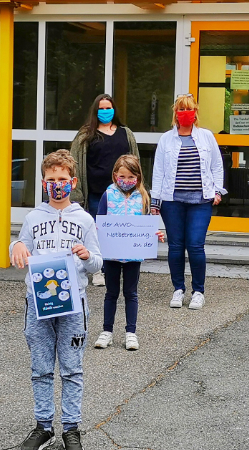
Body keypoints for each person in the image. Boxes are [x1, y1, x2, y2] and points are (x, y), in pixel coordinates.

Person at [10, 150, 103, 450]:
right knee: (41, 368)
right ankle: (43, 426)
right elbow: (19, 247)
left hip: (73, 304)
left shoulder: (85, 220)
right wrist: (18, 245)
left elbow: (97, 263)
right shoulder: (34, 218)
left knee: (72, 368)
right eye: (51, 180)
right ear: (43, 183)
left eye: (63, 179)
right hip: (38, 303)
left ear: (73, 182)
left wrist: (88, 257)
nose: (57, 184)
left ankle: (71, 428)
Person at [150, 94, 225, 311]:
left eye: (189, 110)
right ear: (175, 113)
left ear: (195, 113)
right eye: (181, 110)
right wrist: (155, 201)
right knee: (175, 246)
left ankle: (198, 291)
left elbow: (217, 166)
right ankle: (178, 289)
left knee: (195, 245)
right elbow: (159, 171)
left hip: (200, 200)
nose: (185, 113)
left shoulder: (206, 136)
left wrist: (218, 191)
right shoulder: (166, 139)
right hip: (172, 200)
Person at [94, 154, 164, 352]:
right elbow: (99, 220)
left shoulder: (143, 197)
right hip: (111, 254)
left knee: (131, 293)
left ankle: (130, 333)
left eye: (131, 177)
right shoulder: (107, 195)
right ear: (115, 175)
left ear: (138, 177)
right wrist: (97, 232)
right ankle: (107, 331)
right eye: (122, 176)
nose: (126, 181)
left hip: (133, 254)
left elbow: (147, 224)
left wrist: (154, 234)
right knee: (111, 293)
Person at [69, 93, 139, 286]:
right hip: (97, 194)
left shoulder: (126, 133)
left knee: (117, 232)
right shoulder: (85, 135)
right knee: (96, 232)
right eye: (101, 108)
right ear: (95, 110)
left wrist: (138, 188)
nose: (105, 111)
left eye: (109, 108)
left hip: (121, 194)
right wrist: (77, 195)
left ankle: (116, 267)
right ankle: (98, 270)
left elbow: (135, 162)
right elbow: (74, 162)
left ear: (114, 110)